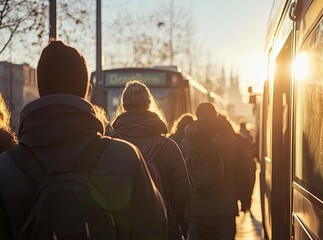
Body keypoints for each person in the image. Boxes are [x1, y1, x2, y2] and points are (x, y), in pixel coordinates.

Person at [0, 41, 168, 239]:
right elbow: (156, 229)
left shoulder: (6, 168)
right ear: (87, 89)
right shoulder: (126, 157)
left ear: (40, 87)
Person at [111, 81, 191, 240]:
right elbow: (182, 194)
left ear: (124, 105)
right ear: (149, 103)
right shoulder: (169, 147)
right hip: (161, 229)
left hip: (121, 231)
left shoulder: (109, 144)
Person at [184, 102, 254, 240]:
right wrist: (245, 198)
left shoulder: (186, 142)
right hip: (224, 209)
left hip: (197, 209)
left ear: (197, 116)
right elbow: (244, 174)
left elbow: (180, 177)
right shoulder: (231, 142)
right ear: (215, 115)